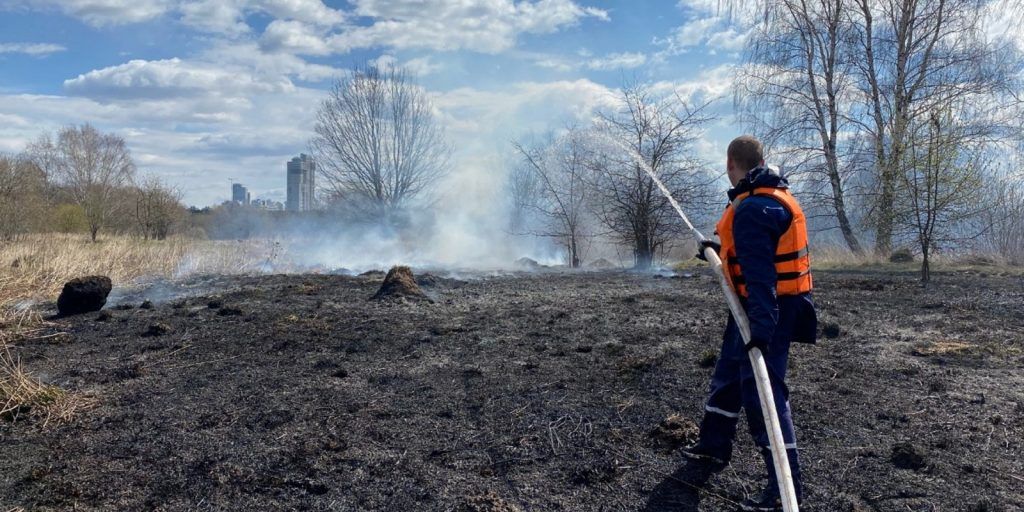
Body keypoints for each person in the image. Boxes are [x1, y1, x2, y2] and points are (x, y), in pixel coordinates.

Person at [683, 135, 818, 511]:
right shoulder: (765, 197)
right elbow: (754, 258)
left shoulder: (754, 209)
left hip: (768, 309)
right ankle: (713, 445)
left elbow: (760, 276)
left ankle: (781, 489)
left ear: (731, 163)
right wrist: (716, 252)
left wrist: (762, 329)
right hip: (759, 305)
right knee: (728, 372)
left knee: (763, 394)